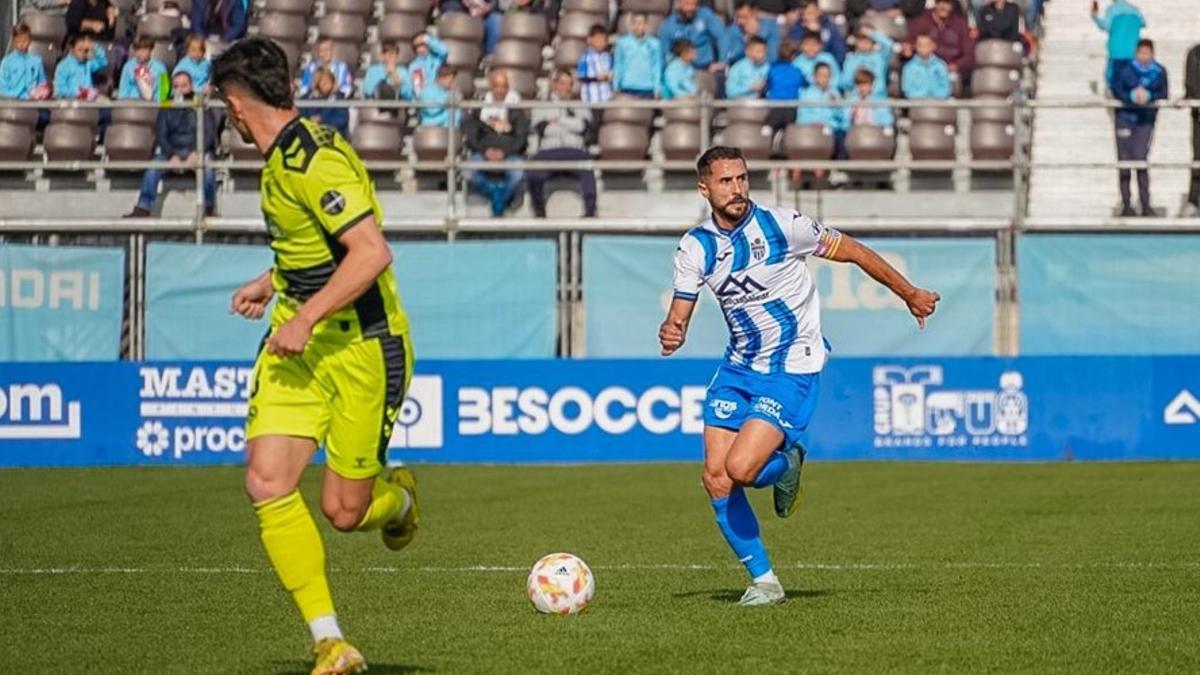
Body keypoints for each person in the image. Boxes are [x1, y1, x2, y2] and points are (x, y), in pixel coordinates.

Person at [210, 37, 419, 675]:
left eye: (225, 105)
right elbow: (315, 248)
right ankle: (331, 641)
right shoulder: (281, 160)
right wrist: (274, 282)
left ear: (237, 102)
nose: (228, 117)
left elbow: (370, 253)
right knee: (266, 480)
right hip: (296, 346)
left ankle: (401, 502)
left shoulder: (312, 161)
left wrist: (304, 314)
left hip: (361, 348)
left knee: (344, 512)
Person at [658, 146, 938, 606]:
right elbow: (679, 315)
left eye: (743, 178)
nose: (737, 189)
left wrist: (909, 294)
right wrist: (673, 331)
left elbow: (854, 251)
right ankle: (765, 581)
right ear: (704, 188)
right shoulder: (694, 247)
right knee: (715, 477)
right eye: (726, 181)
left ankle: (788, 463)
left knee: (742, 470)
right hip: (739, 365)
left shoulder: (785, 226)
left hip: (792, 363)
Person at [124, 71, 216, 218]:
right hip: (172, 151)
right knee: (153, 167)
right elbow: (161, 133)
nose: (180, 89)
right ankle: (143, 207)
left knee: (209, 169)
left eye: (184, 86)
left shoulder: (201, 105)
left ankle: (210, 209)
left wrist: (198, 152)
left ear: (191, 85)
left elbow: (209, 132)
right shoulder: (167, 104)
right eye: (177, 86)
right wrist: (171, 155)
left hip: (196, 151)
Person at [527, 68, 596, 218]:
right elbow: (543, 130)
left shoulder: (581, 107)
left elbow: (583, 128)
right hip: (549, 151)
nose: (567, 88)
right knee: (534, 168)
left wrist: (558, 120)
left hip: (574, 151)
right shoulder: (541, 106)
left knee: (587, 165)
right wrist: (571, 125)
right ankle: (539, 210)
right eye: (563, 83)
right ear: (554, 84)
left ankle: (590, 211)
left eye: (570, 84)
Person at [1111, 39, 1167, 217]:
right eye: (1141, 53)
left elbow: (1164, 92)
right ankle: (1126, 203)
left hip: (1145, 121)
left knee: (1141, 160)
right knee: (1125, 161)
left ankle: (1145, 203)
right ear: (1136, 53)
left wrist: (1150, 96)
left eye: (1147, 53)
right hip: (1125, 119)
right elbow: (1116, 87)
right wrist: (1130, 96)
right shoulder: (1126, 70)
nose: (1144, 57)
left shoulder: (1158, 72)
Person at [464, 70, 528, 216]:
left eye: (503, 87)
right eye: (496, 86)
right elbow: (472, 135)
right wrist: (485, 151)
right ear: (490, 87)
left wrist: (504, 153)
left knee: (518, 172)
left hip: (509, 155)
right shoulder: (479, 109)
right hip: (483, 153)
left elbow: (521, 138)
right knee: (467, 170)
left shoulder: (516, 110)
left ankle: (497, 198)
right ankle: (497, 192)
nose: (500, 91)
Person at [906, 0, 974, 90]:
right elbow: (909, 43)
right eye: (941, 3)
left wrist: (956, 65)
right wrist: (908, 48)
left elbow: (969, 54)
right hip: (925, 67)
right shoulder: (921, 22)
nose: (944, 7)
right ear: (935, 3)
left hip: (951, 69)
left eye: (947, 3)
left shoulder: (960, 24)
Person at [660, 0, 727, 73]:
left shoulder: (705, 15)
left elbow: (722, 36)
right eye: (687, 4)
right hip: (681, 70)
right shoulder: (669, 24)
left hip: (705, 68)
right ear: (679, 3)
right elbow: (664, 52)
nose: (691, 8)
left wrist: (722, 61)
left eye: (694, 4)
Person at [1091, 0, 1144, 92]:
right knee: (1131, 79)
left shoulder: (1112, 9)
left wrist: (1094, 16)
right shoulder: (1135, 9)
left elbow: (1105, 26)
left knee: (1112, 80)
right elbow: (1143, 23)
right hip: (1133, 51)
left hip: (1117, 51)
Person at [797, 62, 846, 156]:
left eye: (827, 76)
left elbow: (841, 118)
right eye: (821, 75)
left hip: (830, 128)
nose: (824, 79)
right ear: (815, 77)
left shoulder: (835, 93)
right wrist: (814, 123)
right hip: (811, 129)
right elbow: (801, 117)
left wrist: (835, 106)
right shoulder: (806, 94)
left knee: (840, 136)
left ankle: (839, 167)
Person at [613, 14, 662, 99]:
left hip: (647, 87)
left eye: (640, 23)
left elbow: (656, 67)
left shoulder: (654, 44)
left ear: (646, 26)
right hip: (627, 86)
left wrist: (657, 88)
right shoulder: (622, 43)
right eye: (634, 23)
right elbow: (618, 65)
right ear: (631, 25)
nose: (637, 26)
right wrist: (615, 85)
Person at [785, 0, 846, 65]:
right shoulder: (796, 29)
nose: (806, 17)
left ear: (818, 11)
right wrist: (807, 33)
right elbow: (790, 52)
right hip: (803, 67)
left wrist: (818, 33)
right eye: (803, 14)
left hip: (826, 67)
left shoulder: (829, 27)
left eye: (810, 13)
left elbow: (839, 52)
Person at [1, 24, 50, 101]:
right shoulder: (6, 62)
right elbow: (2, 88)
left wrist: (40, 93)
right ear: (13, 41)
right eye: (18, 41)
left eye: (24, 41)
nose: (21, 44)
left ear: (30, 40)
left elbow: (43, 84)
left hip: (33, 103)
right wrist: (19, 95)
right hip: (12, 104)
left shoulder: (37, 61)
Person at [765, 39, 805, 133]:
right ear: (793, 56)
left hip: (775, 108)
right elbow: (805, 84)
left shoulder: (772, 70)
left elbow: (766, 86)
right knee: (789, 133)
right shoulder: (797, 71)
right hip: (791, 108)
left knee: (769, 130)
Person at [840, 26, 893, 96]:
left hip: (878, 99)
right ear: (856, 42)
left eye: (867, 40)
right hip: (856, 100)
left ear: (873, 43)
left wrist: (871, 33)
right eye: (861, 40)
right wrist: (860, 78)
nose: (864, 43)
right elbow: (844, 83)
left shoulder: (880, 57)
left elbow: (889, 45)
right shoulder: (851, 59)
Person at [725, 1, 780, 65]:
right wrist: (747, 38)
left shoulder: (771, 27)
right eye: (737, 17)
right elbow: (730, 57)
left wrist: (756, 36)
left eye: (744, 17)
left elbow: (772, 56)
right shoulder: (732, 31)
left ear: (755, 13)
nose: (739, 21)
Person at [54, 33, 107, 99]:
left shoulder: (88, 63)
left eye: (85, 50)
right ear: (71, 49)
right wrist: (79, 93)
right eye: (79, 50)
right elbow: (59, 90)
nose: (82, 53)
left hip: (88, 102)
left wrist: (93, 46)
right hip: (70, 103)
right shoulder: (63, 66)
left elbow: (103, 63)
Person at [117, 36, 169, 101]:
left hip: (153, 104)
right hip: (132, 103)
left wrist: (156, 101)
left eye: (144, 50)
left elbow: (164, 90)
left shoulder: (160, 67)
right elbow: (123, 90)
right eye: (137, 50)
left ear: (151, 50)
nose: (140, 53)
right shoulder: (128, 66)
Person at [302, 68, 350, 138]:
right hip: (312, 136)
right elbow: (301, 116)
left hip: (333, 137)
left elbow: (342, 120)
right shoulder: (308, 98)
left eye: (327, 81)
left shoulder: (339, 98)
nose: (325, 84)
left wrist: (322, 119)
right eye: (322, 81)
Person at [901, 33, 951, 99]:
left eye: (927, 44)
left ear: (933, 46)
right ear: (915, 46)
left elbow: (946, 88)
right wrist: (922, 97)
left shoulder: (941, 66)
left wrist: (935, 98)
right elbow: (907, 89)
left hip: (938, 104)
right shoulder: (909, 67)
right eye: (920, 45)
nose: (923, 47)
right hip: (916, 104)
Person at [577, 24, 614, 104]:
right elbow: (581, 76)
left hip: (607, 99)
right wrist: (596, 78)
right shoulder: (585, 56)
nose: (600, 42)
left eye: (603, 39)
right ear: (589, 40)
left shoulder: (608, 57)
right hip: (591, 99)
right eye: (597, 39)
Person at [407, 32, 449, 100]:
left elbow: (444, 50)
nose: (421, 48)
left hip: (441, 98)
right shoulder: (414, 66)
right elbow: (416, 89)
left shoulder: (437, 59)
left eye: (423, 44)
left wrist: (426, 39)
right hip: (424, 101)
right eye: (417, 46)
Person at [1184, 42, 1200, 217]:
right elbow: (1190, 82)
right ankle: (1193, 200)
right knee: (1198, 158)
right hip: (1199, 117)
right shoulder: (1195, 53)